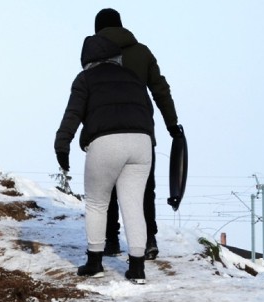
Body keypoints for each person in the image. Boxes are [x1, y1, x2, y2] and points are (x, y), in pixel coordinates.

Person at [55, 35, 154, 284]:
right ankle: (137, 268)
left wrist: (62, 144)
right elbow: (147, 111)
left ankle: (95, 262)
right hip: (141, 143)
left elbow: (73, 114)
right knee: (133, 205)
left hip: (106, 143)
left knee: (98, 204)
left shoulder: (85, 79)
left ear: (87, 60)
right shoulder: (133, 77)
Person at [94, 8, 183, 260]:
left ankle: (111, 240)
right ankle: (148, 239)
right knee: (145, 188)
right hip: (140, 131)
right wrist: (172, 124)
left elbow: (88, 96)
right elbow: (160, 90)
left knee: (107, 187)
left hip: (105, 131)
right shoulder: (142, 52)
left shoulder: (95, 56)